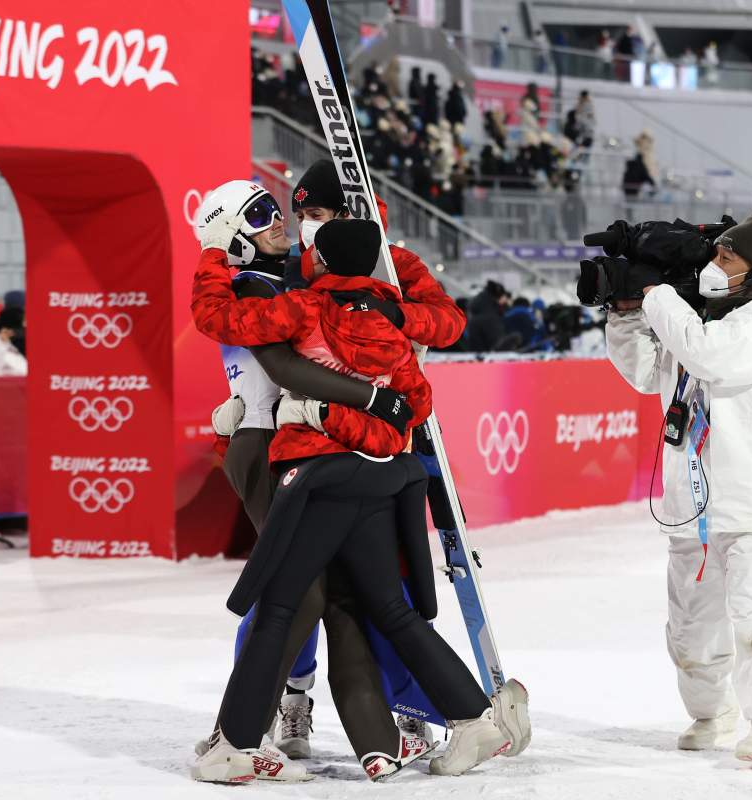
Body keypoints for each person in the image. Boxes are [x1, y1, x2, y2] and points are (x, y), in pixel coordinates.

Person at [190, 216, 529, 783]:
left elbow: (215, 316)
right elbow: (414, 405)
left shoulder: (304, 307)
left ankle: (236, 745)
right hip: (379, 476)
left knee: (278, 605)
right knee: (388, 608)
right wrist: (365, 427)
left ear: (318, 260)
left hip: (319, 478)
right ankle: (474, 719)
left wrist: (211, 255)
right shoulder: (395, 319)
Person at [601, 213, 752, 765]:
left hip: (750, 504)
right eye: (714, 256)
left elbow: (709, 357)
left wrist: (655, 292)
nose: (714, 267)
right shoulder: (697, 322)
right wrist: (624, 315)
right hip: (689, 505)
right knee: (690, 624)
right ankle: (712, 714)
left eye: (728, 259)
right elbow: (647, 374)